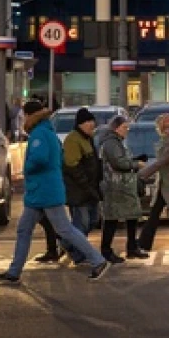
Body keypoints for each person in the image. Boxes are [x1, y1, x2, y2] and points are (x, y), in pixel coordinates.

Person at [0, 100, 110, 284]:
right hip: (42, 192)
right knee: (25, 229)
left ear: (30, 116)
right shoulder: (48, 132)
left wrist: (27, 169)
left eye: (25, 115)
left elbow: (39, 159)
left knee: (64, 229)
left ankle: (97, 260)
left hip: (44, 192)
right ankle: (14, 272)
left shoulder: (39, 134)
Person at [96, 116, 149, 263]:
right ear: (117, 128)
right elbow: (119, 163)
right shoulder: (111, 143)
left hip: (123, 185)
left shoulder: (116, 142)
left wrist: (134, 160)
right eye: (125, 127)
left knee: (132, 216)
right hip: (116, 186)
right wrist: (136, 164)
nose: (127, 131)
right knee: (112, 218)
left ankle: (132, 247)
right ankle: (106, 250)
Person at [136, 113, 169, 252]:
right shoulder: (166, 139)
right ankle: (144, 242)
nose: (165, 126)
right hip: (165, 182)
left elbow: (162, 161)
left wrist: (142, 174)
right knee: (154, 214)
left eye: (167, 123)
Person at [60, 107, 104, 264]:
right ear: (80, 124)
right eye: (88, 121)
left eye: (92, 121)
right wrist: (86, 185)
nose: (91, 124)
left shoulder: (88, 139)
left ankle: (66, 243)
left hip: (90, 189)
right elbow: (72, 166)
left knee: (93, 220)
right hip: (78, 191)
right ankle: (77, 254)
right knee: (82, 223)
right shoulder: (73, 139)